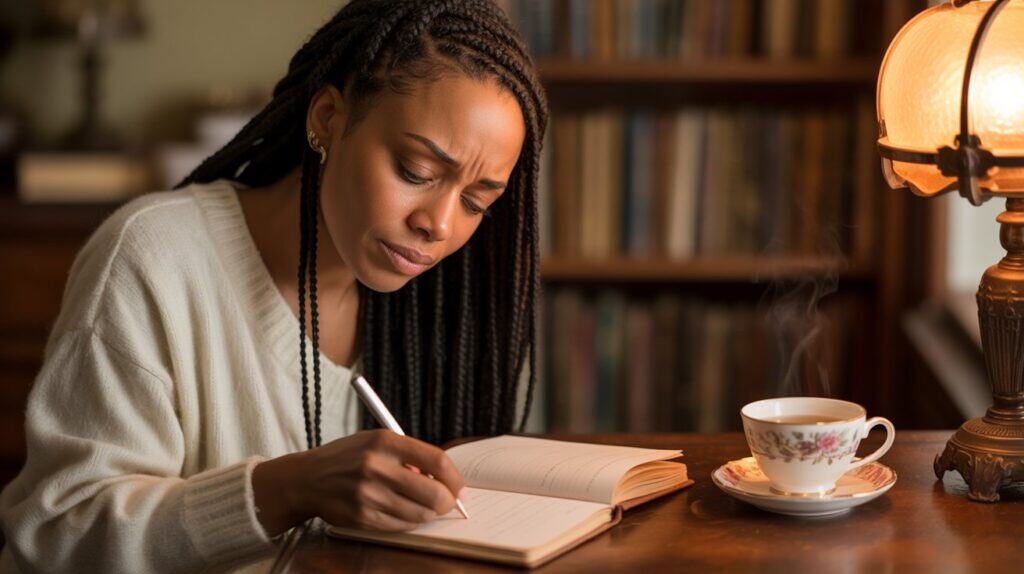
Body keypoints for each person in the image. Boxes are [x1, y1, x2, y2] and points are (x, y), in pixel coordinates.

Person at [0, 1, 548, 571]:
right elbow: (59, 535)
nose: (438, 224)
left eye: (476, 201)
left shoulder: (444, 304)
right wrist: (286, 489)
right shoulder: (154, 258)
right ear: (328, 119)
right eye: (415, 171)